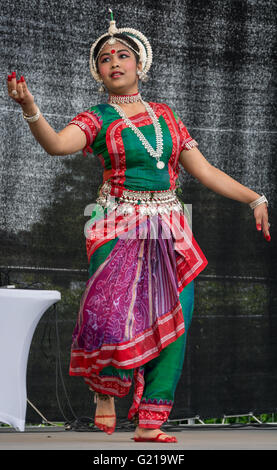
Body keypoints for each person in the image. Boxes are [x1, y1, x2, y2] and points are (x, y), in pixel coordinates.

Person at [7, 10, 270, 444]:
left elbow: (205, 171)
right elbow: (57, 146)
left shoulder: (167, 116)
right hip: (115, 222)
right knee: (113, 316)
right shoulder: (95, 118)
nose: (114, 62)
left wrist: (254, 197)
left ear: (139, 65)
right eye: (106, 58)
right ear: (98, 72)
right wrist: (30, 108)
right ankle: (106, 390)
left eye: (123, 55)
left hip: (169, 225)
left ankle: (151, 419)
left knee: (175, 317)